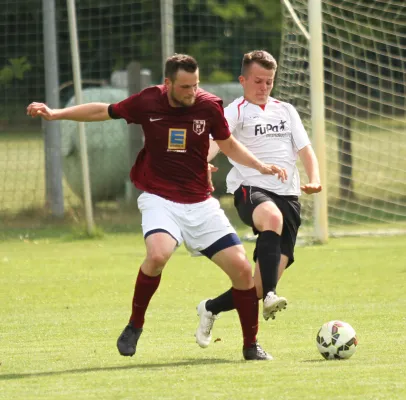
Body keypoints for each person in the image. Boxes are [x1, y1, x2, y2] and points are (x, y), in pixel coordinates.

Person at [27, 54, 288, 361]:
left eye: (196, 85)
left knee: (244, 272)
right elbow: (102, 111)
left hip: (201, 203)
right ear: (168, 84)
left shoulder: (209, 105)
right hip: (159, 198)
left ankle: (250, 346)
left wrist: (260, 166)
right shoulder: (148, 101)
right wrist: (56, 114)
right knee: (158, 254)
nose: (192, 92)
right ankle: (135, 325)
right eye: (185, 86)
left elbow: (228, 145)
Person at [195, 50, 322, 349]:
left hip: (288, 195)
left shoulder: (286, 110)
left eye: (269, 82)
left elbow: (305, 150)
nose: (263, 87)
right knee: (271, 219)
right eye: (258, 81)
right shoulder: (235, 110)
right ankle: (270, 298)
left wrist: (314, 178)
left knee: (255, 285)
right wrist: (203, 160)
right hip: (250, 188)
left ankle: (211, 308)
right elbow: (216, 142)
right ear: (242, 80)